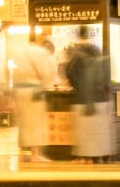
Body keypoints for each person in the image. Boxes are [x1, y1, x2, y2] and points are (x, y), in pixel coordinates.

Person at [66, 25, 112, 163]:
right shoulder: (97, 51)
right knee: (97, 131)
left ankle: (85, 157)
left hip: (83, 98)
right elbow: (106, 75)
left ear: (78, 36)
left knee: (84, 131)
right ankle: (97, 157)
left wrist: (75, 86)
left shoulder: (76, 53)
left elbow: (70, 74)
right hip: (100, 97)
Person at [9, 36, 56, 161]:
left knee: (24, 123)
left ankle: (24, 153)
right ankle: (36, 154)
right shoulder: (41, 54)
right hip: (33, 91)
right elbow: (45, 74)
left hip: (20, 90)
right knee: (36, 123)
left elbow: (12, 73)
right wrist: (47, 84)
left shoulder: (21, 52)